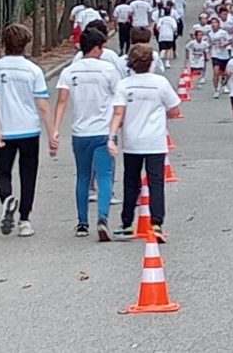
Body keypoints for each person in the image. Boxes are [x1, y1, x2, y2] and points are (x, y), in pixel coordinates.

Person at [0, 24, 55, 237]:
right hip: (30, 130)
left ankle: (7, 198)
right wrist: (52, 132)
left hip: (6, 130)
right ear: (26, 44)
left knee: (3, 173)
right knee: (28, 174)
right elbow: (42, 105)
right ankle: (25, 219)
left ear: (4, 44)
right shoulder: (33, 70)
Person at [53, 28, 121, 240]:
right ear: (96, 47)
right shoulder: (108, 70)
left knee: (83, 176)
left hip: (80, 132)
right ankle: (102, 218)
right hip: (104, 131)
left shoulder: (70, 71)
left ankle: (82, 223)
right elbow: (119, 100)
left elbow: (62, 101)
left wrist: (55, 129)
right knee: (104, 175)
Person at [109, 45, 181, 243]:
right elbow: (174, 109)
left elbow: (118, 113)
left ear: (130, 63)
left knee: (131, 182)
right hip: (155, 140)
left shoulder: (124, 85)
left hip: (132, 140)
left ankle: (126, 224)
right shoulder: (160, 83)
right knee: (156, 182)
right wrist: (161, 115)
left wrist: (111, 136)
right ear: (151, 62)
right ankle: (156, 224)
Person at [207, 17, 232, 99]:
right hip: (215, 55)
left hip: (224, 55)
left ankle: (224, 84)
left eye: (215, 23)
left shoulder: (223, 33)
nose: (213, 24)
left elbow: (230, 40)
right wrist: (208, 52)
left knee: (227, 73)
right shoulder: (210, 33)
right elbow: (209, 44)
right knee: (216, 72)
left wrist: (225, 44)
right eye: (212, 23)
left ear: (218, 24)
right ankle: (216, 90)